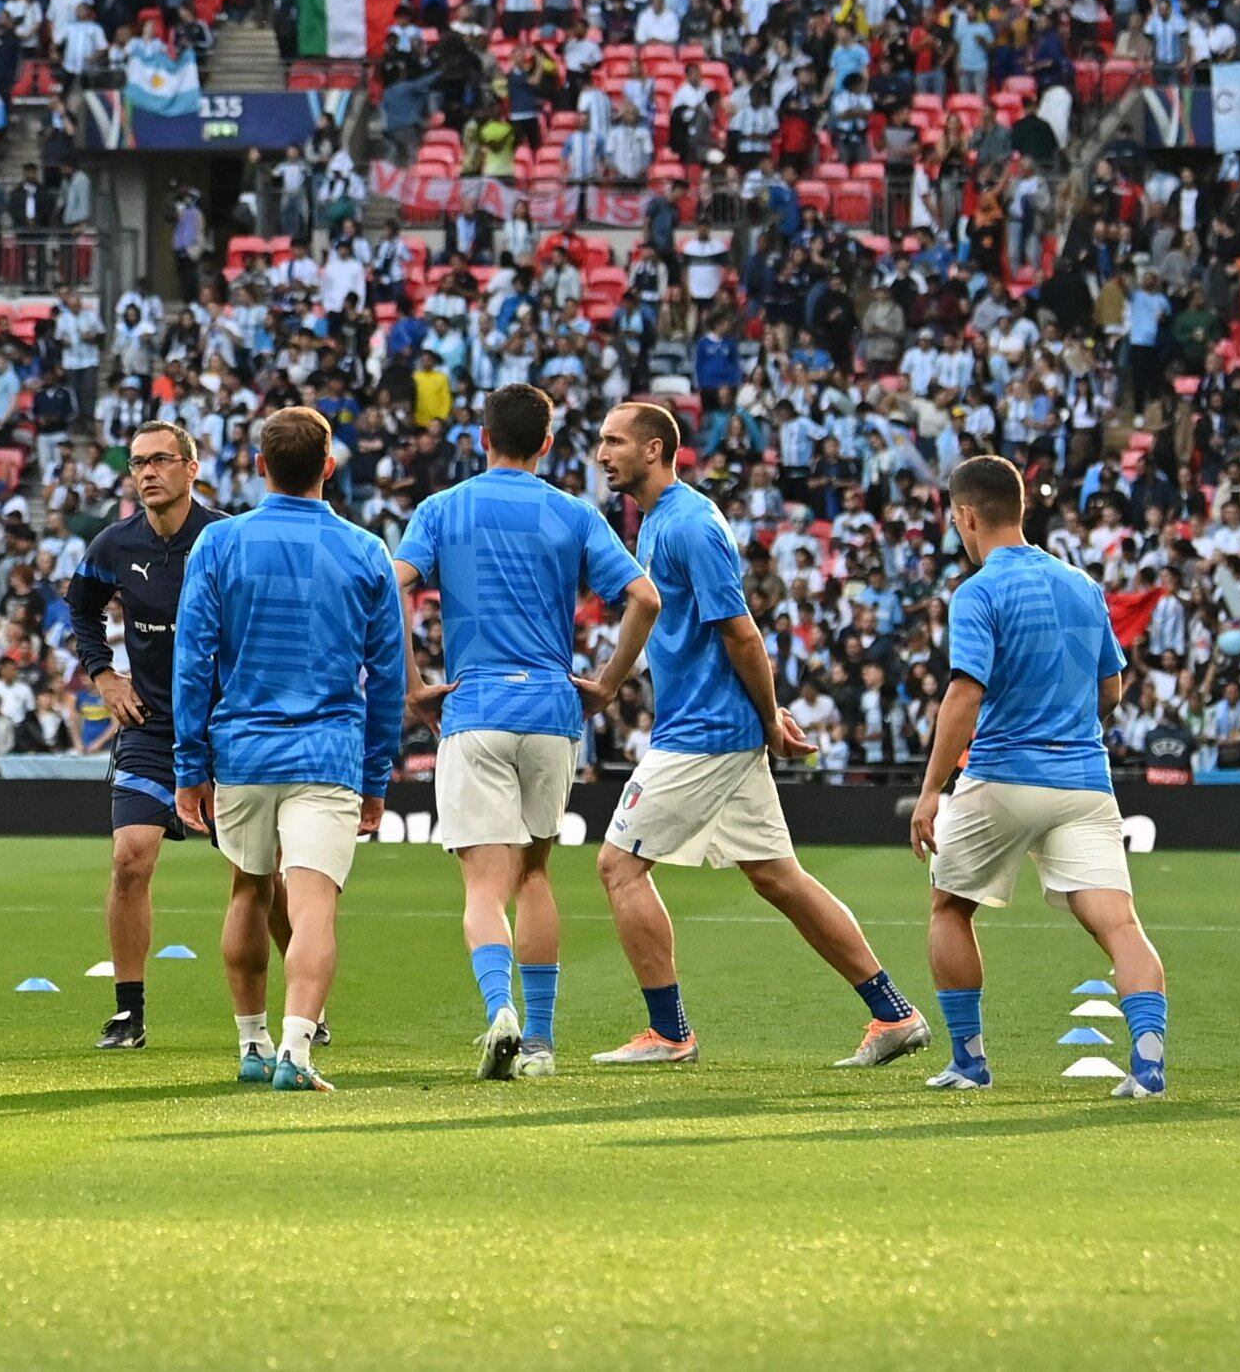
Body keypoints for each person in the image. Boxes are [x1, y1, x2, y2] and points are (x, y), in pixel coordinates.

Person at [581, 397, 928, 1069]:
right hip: (713, 727)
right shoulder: (659, 522)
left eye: (613, 440)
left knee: (619, 865)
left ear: (653, 448)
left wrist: (770, 717)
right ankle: (894, 1011)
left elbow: (741, 630)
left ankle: (670, 1031)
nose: (602, 453)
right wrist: (614, 680)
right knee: (778, 876)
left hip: (706, 733)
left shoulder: (690, 526)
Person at [391, 382, 654, 1081]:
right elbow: (644, 596)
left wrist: (414, 684)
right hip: (552, 710)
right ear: (546, 442)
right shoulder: (574, 512)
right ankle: (538, 1040)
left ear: (482, 438)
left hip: (475, 708)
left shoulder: (444, 508)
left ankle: (498, 1008)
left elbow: (393, 582)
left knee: (484, 882)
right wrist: (609, 681)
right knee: (535, 872)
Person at [911, 454, 1169, 1099]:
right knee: (1120, 927)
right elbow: (1111, 687)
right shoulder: (1081, 584)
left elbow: (964, 695)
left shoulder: (977, 591)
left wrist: (930, 790)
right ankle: (1148, 1066)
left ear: (966, 516)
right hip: (1083, 781)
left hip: (1001, 775)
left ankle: (969, 1063)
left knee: (950, 908)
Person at [171, 405, 403, 1094]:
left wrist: (190, 764)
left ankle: (251, 1043)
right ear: (330, 466)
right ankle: (297, 1050)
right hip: (328, 752)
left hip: (242, 748)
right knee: (312, 906)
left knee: (248, 886)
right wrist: (377, 775)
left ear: (260, 466)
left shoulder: (218, 543)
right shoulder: (366, 551)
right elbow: (388, 675)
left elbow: (193, 659)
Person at [70, 418, 288, 1050]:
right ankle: (129, 1012)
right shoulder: (114, 545)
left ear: (192, 469)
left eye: (162, 460)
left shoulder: (229, 537)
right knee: (129, 858)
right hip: (150, 726)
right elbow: (81, 608)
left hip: (227, 732)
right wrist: (104, 675)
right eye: (139, 462)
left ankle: (306, 998)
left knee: (260, 875)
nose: (148, 472)